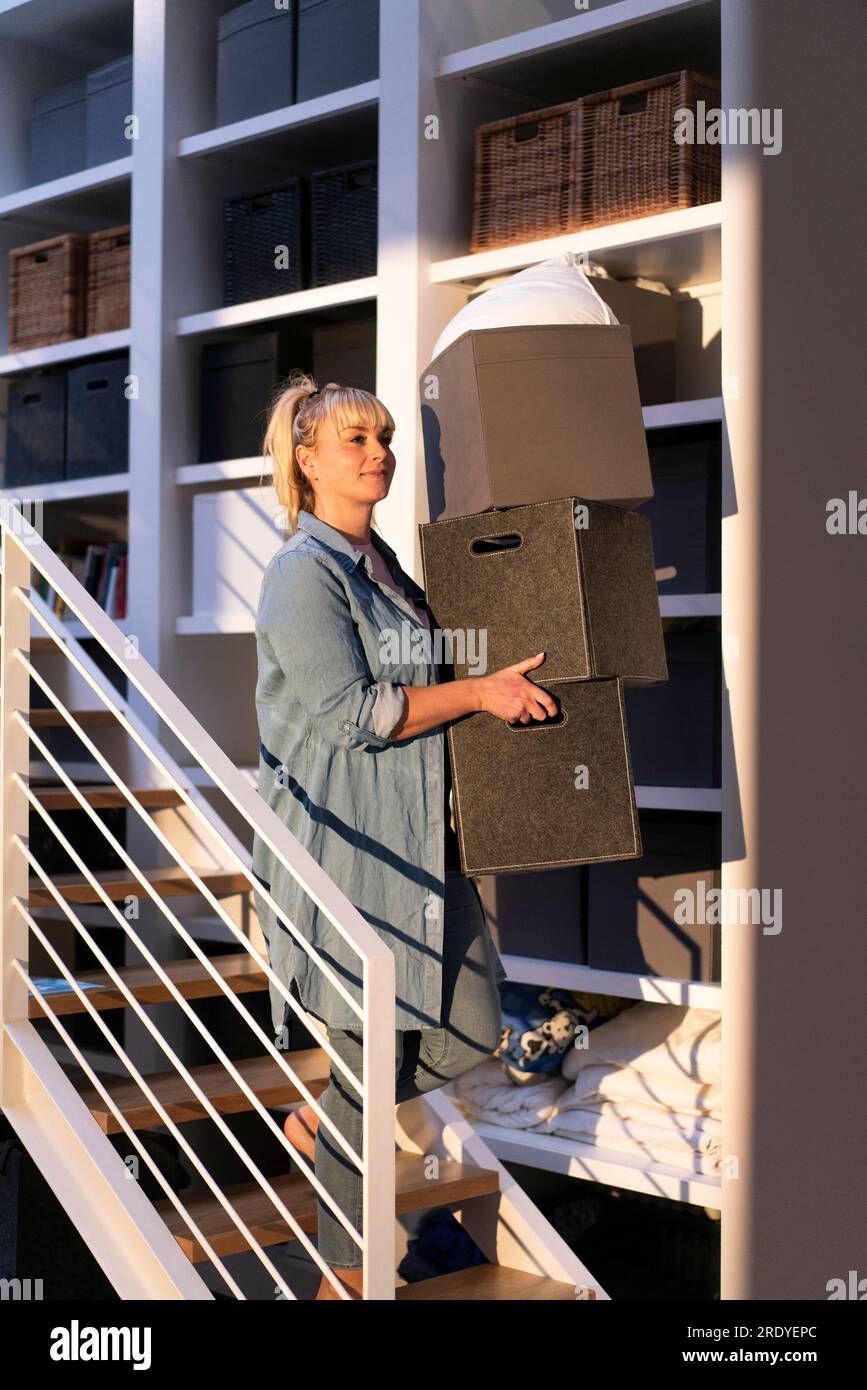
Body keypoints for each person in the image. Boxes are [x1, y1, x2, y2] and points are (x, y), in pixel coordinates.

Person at [251, 370, 558, 1300]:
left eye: (383, 436)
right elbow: (354, 712)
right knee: (365, 1050)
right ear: (306, 460)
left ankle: (330, 1122)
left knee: (469, 1024)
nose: (378, 451)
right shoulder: (300, 575)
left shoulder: (381, 564)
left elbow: (423, 680)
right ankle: (344, 1282)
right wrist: (477, 693)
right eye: (356, 439)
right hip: (347, 856)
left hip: (419, 847)